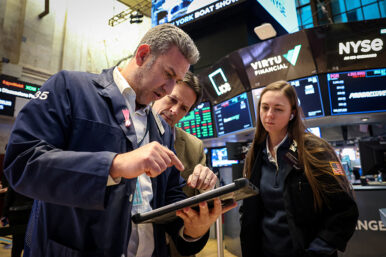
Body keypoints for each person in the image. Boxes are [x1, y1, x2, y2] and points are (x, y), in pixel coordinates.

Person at [3, 23, 235, 257]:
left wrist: (193, 229)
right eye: (168, 75)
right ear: (143, 55)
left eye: (177, 80)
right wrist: (114, 165)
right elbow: (22, 162)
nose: (169, 89)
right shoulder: (71, 88)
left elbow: (169, 198)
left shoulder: (162, 128)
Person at [239, 81, 359, 257]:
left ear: (292, 114)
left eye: (278, 109)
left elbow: (345, 211)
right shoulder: (255, 154)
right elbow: (249, 209)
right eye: (265, 108)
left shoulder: (315, 150)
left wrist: (317, 251)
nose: (269, 115)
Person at [153, 71, 217, 257]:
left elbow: (200, 198)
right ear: (159, 91)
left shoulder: (193, 146)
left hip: (174, 246)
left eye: (184, 108)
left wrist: (207, 186)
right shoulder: (131, 130)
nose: (175, 111)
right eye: (172, 100)